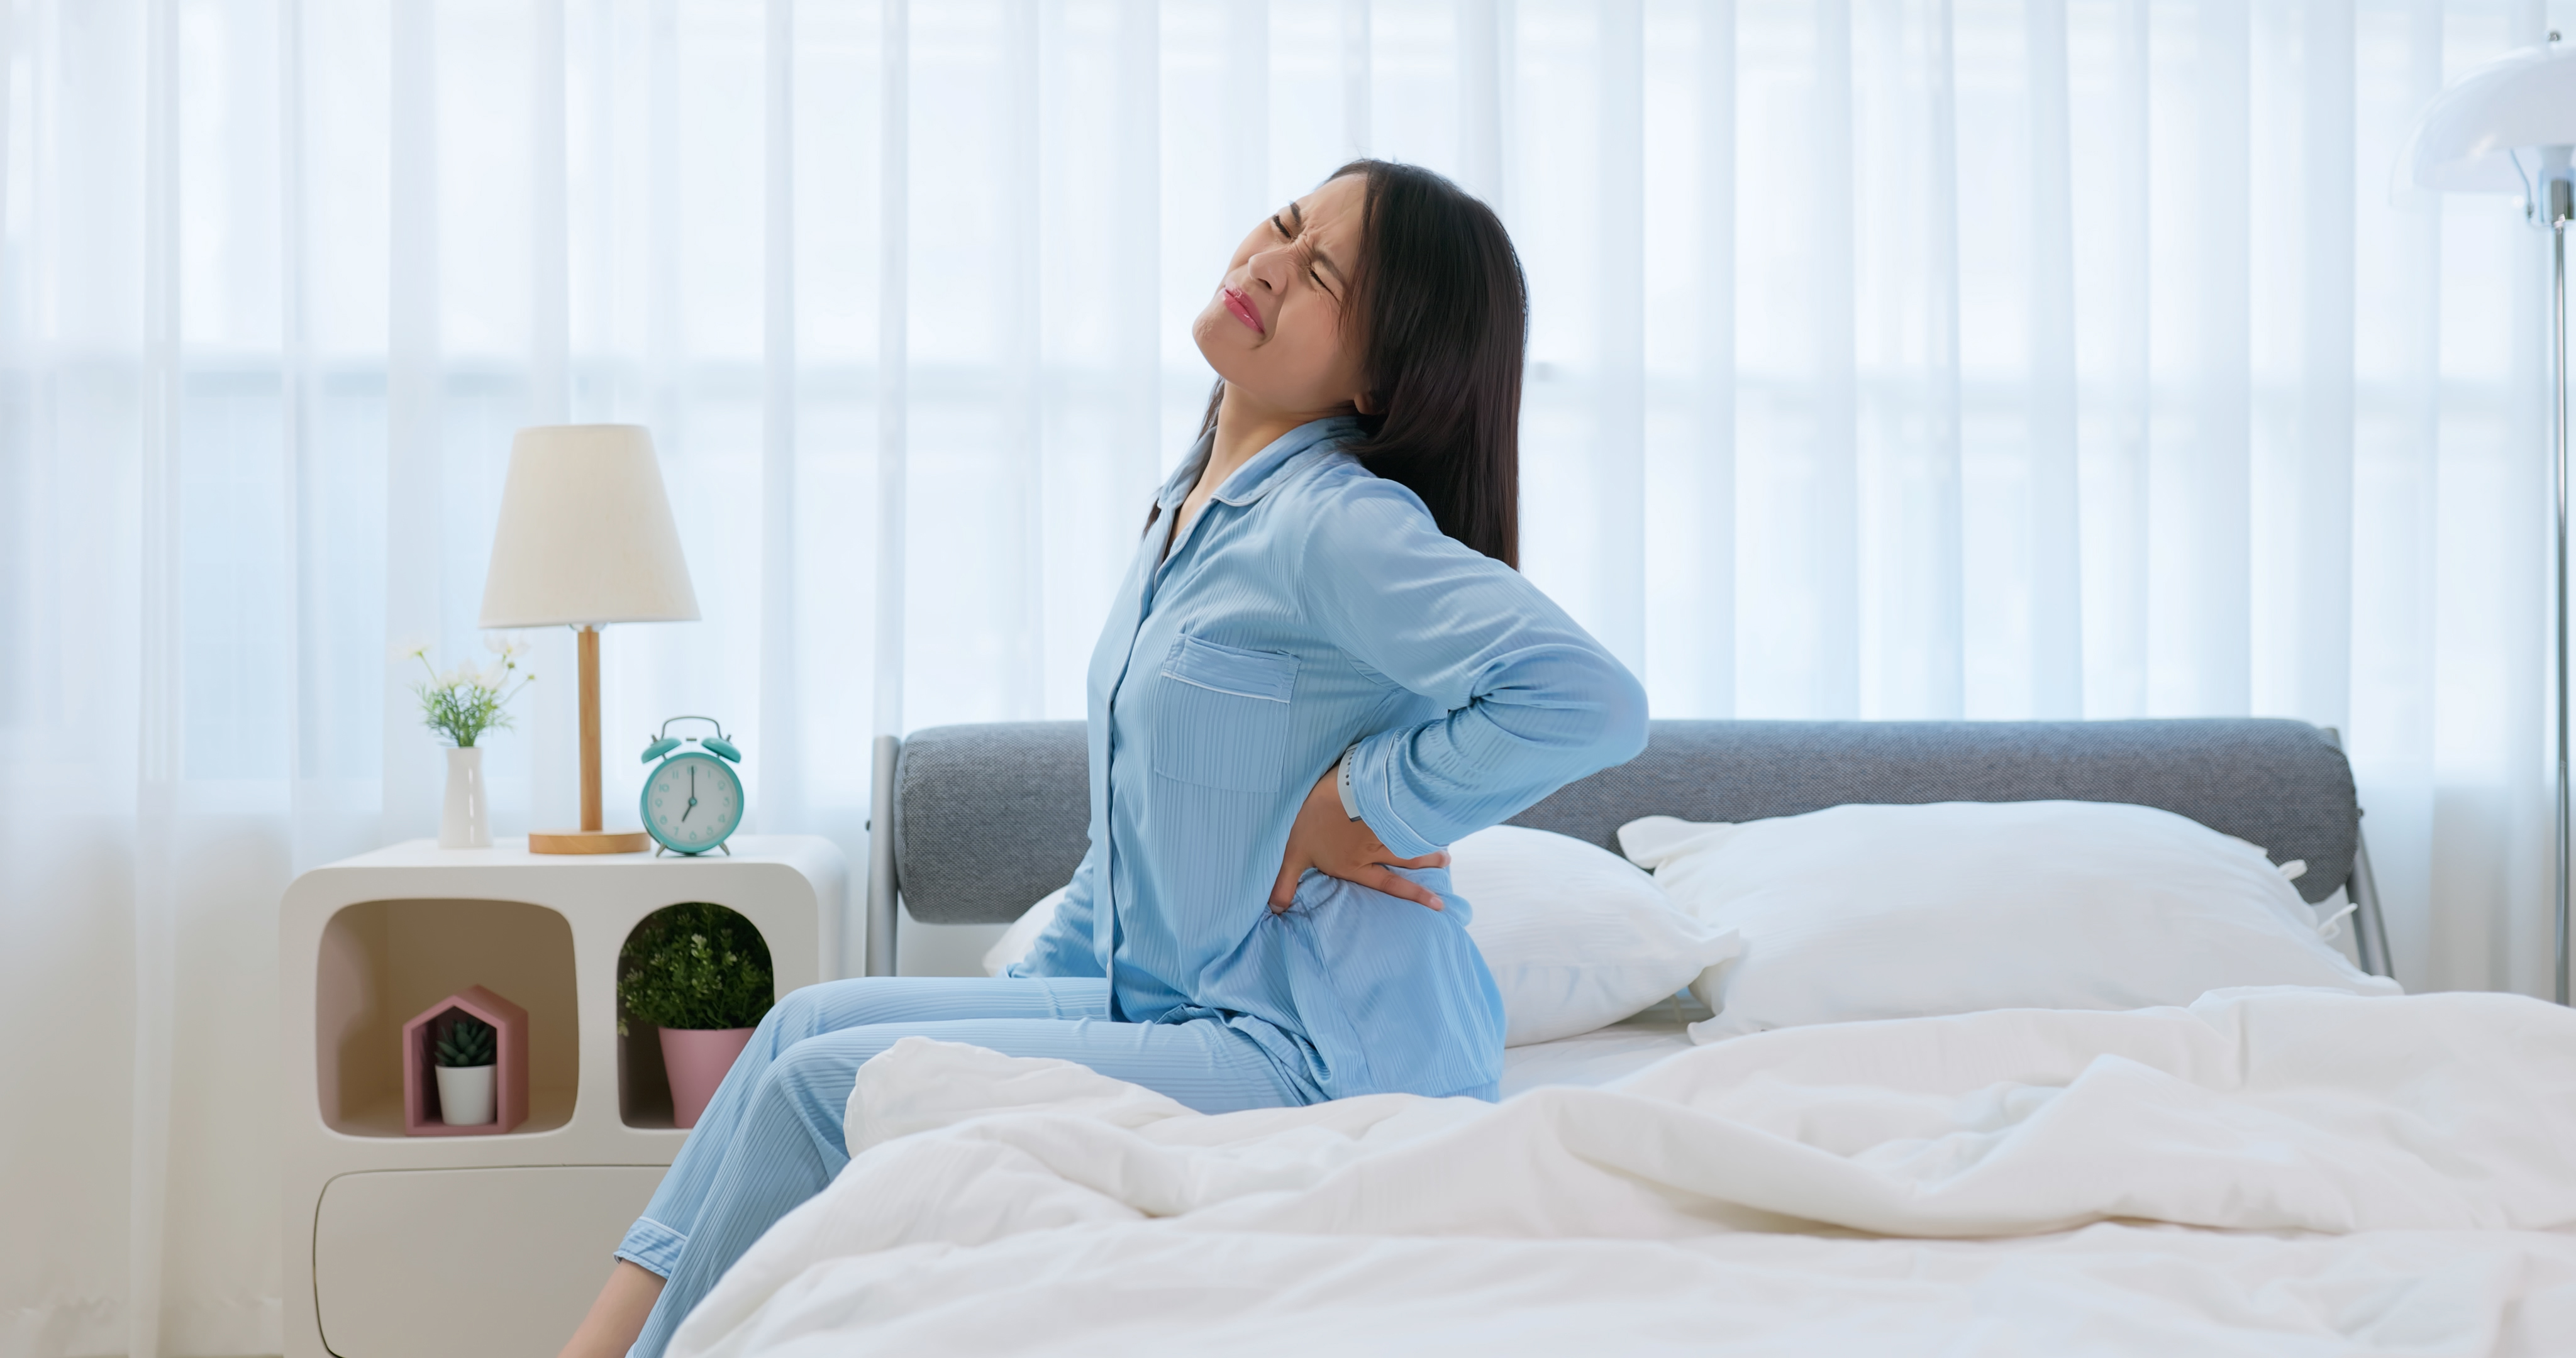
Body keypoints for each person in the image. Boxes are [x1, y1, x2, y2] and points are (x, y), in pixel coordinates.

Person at [558, 158, 1647, 1358]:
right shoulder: (1189, 508)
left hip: (1327, 1058)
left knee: (826, 1091)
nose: (1268, 264)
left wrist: (1357, 802)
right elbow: (1135, 846)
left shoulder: (1332, 524)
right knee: (802, 1026)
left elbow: (1589, 701)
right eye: (1285, 226)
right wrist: (1014, 1019)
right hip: (1179, 1006)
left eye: (1323, 274)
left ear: (1382, 378)